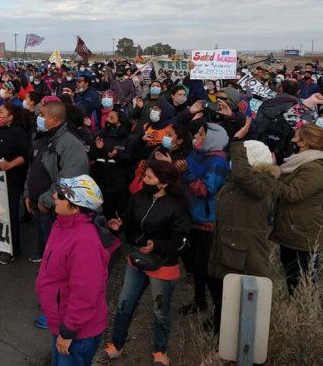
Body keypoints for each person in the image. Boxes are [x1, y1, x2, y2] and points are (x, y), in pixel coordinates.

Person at [97, 160, 191, 366]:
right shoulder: (139, 197)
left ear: (163, 183)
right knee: (124, 304)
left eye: (149, 177)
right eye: (144, 176)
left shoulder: (177, 205)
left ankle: (160, 352)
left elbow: (182, 241)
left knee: (160, 311)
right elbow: (129, 222)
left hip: (163, 265)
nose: (144, 180)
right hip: (137, 260)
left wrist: (157, 246)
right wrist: (119, 227)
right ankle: (116, 346)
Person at [36, 175, 120, 366]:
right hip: (61, 321)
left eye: (61, 195)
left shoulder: (84, 242)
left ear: (75, 208)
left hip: (77, 332)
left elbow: (86, 294)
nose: (54, 196)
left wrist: (68, 331)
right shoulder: (62, 224)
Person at [207, 140, 277, 333]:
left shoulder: (260, 185)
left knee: (236, 309)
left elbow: (242, 176)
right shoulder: (238, 184)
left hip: (243, 258)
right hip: (229, 252)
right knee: (223, 300)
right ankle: (219, 330)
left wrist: (238, 142)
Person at [25, 101, 90, 263]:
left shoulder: (70, 143)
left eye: (42, 115)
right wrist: (28, 193)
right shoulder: (42, 136)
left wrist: (46, 200)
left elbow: (69, 178)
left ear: (54, 120)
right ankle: (43, 257)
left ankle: (52, 266)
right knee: (42, 234)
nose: (38, 117)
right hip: (38, 200)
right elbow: (33, 167)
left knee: (56, 244)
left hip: (54, 205)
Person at [179, 123, 229, 316]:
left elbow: (206, 190)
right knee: (194, 264)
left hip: (207, 221)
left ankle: (217, 310)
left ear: (212, 139)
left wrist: (186, 173)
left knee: (204, 267)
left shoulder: (218, 162)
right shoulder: (197, 154)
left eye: (201, 134)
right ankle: (199, 302)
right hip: (192, 215)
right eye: (198, 133)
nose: (196, 137)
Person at [268, 123, 323, 293]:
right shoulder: (300, 163)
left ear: (304, 142)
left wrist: (270, 174)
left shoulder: (314, 168)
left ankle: (303, 306)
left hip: (302, 234)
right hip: (293, 230)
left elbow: (291, 194)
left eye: (296, 137)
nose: (292, 140)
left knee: (304, 280)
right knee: (292, 276)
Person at [0, 102, 29, 264]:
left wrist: (9, 165)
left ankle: (11, 249)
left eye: (1, 112)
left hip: (10, 179)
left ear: (10, 117)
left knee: (9, 213)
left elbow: (24, 156)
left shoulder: (18, 133)